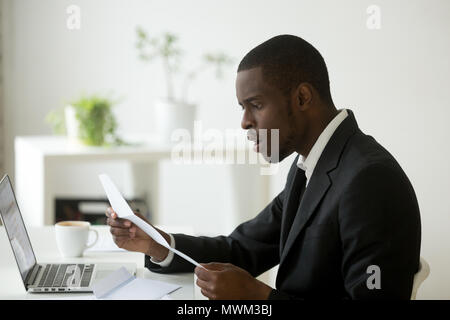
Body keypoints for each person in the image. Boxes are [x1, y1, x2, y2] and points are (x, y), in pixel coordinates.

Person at [105, 35, 421, 300]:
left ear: (302, 97)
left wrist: (259, 296)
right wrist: (158, 244)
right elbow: (242, 248)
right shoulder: (309, 166)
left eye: (255, 105)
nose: (244, 122)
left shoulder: (369, 180)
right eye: (243, 108)